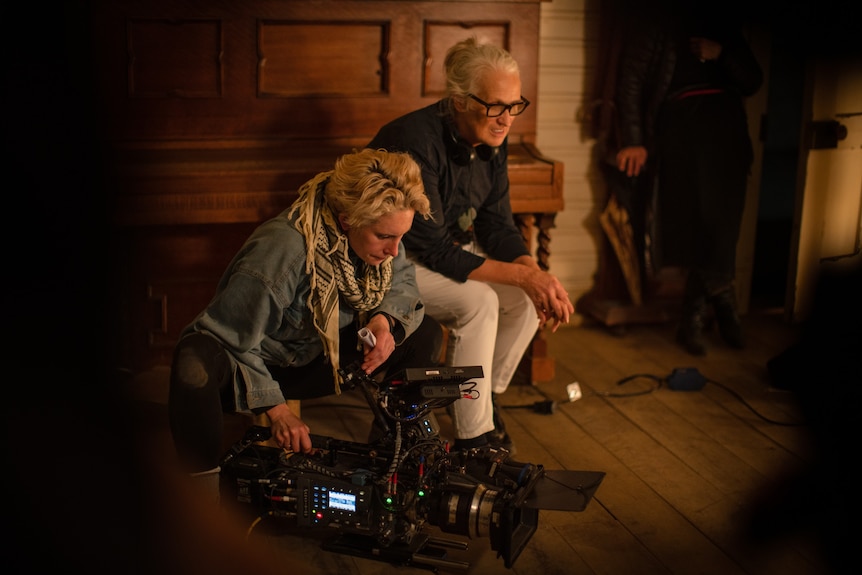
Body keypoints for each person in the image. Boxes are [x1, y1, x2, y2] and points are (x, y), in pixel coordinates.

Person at [168, 148, 443, 485]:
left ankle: (391, 462)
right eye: (385, 237)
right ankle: (200, 495)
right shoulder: (284, 250)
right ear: (346, 220)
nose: (394, 250)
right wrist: (278, 410)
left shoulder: (380, 237)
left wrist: (383, 322)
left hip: (315, 357)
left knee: (423, 333)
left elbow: (401, 279)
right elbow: (228, 339)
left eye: (401, 236)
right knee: (193, 363)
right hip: (254, 366)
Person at [367, 37, 574, 453]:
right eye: (495, 105)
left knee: (522, 298)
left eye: (515, 105)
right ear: (460, 101)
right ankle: (472, 438)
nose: (506, 118)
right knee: (479, 302)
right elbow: (434, 249)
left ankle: (483, 399)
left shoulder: (492, 137)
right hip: (395, 262)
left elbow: (497, 224)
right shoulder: (415, 140)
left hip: (443, 254)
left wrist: (533, 273)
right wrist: (525, 275)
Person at [614, 0, 763, 355]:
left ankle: (698, 311)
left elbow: (752, 80)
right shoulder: (658, 18)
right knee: (701, 222)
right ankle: (717, 302)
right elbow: (630, 81)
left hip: (727, 128)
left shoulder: (725, 22)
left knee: (725, 222)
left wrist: (722, 54)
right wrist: (634, 140)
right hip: (683, 127)